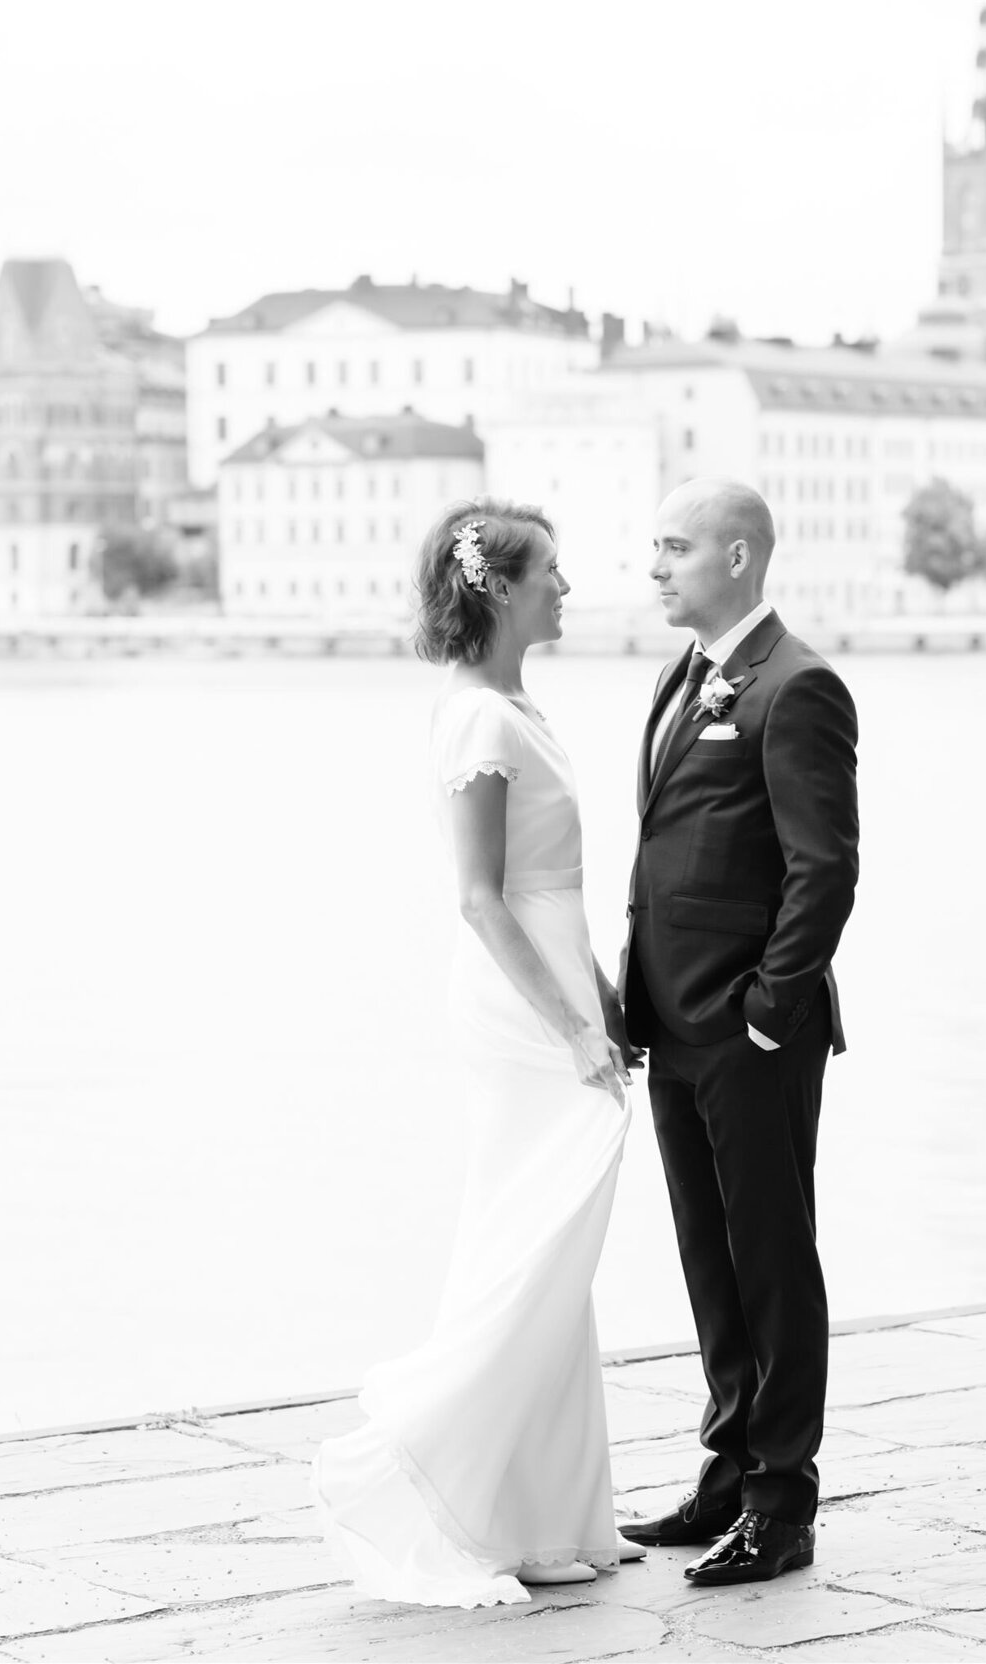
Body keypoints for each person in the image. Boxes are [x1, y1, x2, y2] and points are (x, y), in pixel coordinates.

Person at [313, 498, 643, 1609]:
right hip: (519, 1009)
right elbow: (481, 900)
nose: (566, 585)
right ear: (496, 586)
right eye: (550, 569)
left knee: (553, 1254)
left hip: (558, 984)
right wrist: (573, 1024)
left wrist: (602, 992)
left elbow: (559, 889)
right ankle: (428, 1460)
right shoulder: (478, 723)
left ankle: (548, 1511)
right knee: (533, 1239)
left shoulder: (517, 703)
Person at [619, 478, 859, 1587]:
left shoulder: (798, 686)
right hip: (674, 1020)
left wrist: (769, 1007)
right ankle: (727, 1462)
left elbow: (824, 866)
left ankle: (781, 1500)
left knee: (769, 1257)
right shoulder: (685, 673)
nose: (656, 564)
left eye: (675, 546)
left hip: (751, 1030)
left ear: (738, 559)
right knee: (708, 1254)